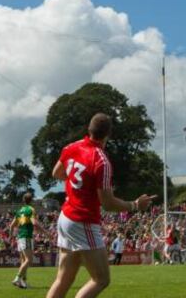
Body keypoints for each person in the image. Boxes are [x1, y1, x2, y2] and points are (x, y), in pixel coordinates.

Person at [46, 113, 155, 298]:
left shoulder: (71, 147)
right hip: (83, 220)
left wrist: (77, 186)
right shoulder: (101, 161)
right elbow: (107, 203)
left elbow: (56, 172)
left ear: (89, 129)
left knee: (63, 279)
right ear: (108, 135)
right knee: (101, 279)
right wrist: (135, 205)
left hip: (65, 217)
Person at [9, 192, 44, 289]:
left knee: (23, 260)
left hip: (19, 237)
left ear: (23, 200)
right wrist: (45, 233)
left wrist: (11, 236)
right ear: (31, 200)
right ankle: (17, 278)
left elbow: (12, 226)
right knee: (29, 259)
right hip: (27, 236)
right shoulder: (31, 209)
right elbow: (34, 223)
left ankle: (23, 282)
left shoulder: (19, 211)